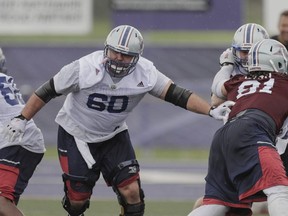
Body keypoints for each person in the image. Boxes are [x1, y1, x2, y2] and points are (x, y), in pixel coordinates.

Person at [2, 25, 232, 216]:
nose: (119, 58)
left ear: (137, 57)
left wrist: (210, 110)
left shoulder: (145, 72)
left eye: (126, 55)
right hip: (76, 134)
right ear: (106, 49)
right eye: (114, 52)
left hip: (113, 135)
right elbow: (46, 91)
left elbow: (178, 95)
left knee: (132, 193)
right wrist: (23, 118)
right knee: (77, 201)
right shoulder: (84, 68)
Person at [187, 38, 288, 216]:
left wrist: (226, 65)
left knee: (218, 203)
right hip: (253, 131)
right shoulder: (283, 83)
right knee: (279, 190)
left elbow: (217, 90)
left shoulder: (239, 81)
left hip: (223, 137)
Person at [0, 48, 45, 216]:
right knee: (6, 203)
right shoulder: (3, 79)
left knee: (1, 205)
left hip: (16, 140)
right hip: (18, 139)